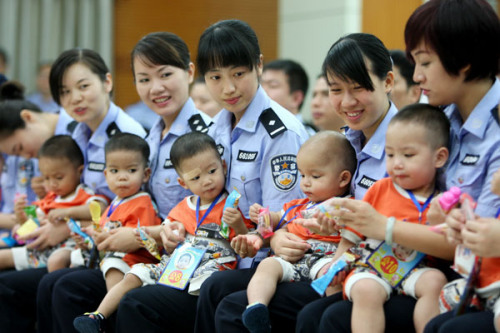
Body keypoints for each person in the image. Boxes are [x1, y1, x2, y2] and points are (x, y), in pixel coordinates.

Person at [312, 0, 500, 330]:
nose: (416, 76)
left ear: (465, 61)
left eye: (425, 62)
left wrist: (382, 225)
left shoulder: (492, 127)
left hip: (467, 276)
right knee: (321, 312)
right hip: (438, 266)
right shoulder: (439, 118)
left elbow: (472, 237)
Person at [115, 20, 309, 333]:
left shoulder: (279, 133)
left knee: (213, 289)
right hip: (206, 256)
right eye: (216, 77)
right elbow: (194, 204)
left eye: (238, 74)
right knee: (135, 302)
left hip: (259, 264)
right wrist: (171, 229)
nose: (228, 88)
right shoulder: (214, 129)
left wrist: (252, 237)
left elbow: (286, 218)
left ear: (258, 66)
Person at [201, 32, 398, 333]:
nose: (347, 101)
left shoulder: (405, 143)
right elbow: (298, 210)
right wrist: (276, 236)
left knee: (239, 307)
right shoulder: (345, 141)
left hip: (370, 269)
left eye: (358, 88)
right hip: (311, 254)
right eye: (336, 89)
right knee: (216, 288)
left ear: (388, 82)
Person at [35, 32, 217, 333]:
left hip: (189, 260)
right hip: (142, 254)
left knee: (87, 292)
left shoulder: (203, 138)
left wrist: (139, 235)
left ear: (189, 72)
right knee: (58, 284)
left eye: (165, 75)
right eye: (144, 79)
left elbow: (208, 216)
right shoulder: (149, 138)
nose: (155, 88)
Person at [0, 47, 146, 333]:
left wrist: (66, 226)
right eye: (65, 92)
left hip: (118, 247)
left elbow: (120, 206)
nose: (75, 98)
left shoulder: (127, 135)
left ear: (107, 82)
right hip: (82, 238)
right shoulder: (78, 133)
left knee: (50, 284)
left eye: (83, 86)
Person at [73, 131, 252, 333]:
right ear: (183, 183)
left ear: (224, 167)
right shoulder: (183, 207)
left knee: (197, 285)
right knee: (135, 274)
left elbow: (245, 245)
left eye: (212, 171)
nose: (207, 181)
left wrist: (238, 225)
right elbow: (167, 232)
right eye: (196, 177)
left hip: (211, 266)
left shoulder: (229, 205)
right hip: (176, 264)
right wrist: (170, 236)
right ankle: (98, 316)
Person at [323, 104, 452, 333]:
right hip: (372, 266)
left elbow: (445, 243)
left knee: (435, 282)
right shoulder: (381, 188)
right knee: (366, 290)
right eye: (390, 154)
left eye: (408, 155)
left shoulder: (442, 200)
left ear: (439, 157)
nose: (397, 163)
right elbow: (352, 234)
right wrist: (337, 264)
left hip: (416, 268)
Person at [239, 131, 356, 333]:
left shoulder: (346, 205)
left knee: (333, 275)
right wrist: (263, 216)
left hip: (324, 259)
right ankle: (256, 307)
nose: (305, 182)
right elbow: (274, 221)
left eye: (315, 176)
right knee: (267, 265)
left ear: (343, 178)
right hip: (293, 259)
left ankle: (329, 312)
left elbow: (352, 233)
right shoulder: (298, 205)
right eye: (302, 175)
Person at [47, 133, 161, 273]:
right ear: (106, 174)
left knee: (112, 265)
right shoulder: (115, 203)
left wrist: (103, 239)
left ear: (145, 175)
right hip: (106, 258)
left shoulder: (143, 202)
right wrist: (87, 239)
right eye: (114, 171)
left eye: (131, 170)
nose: (122, 177)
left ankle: (114, 296)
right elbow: (103, 232)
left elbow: (136, 241)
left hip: (131, 263)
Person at [0, 135, 105, 271]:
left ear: (79, 171)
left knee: (57, 260)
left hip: (69, 247)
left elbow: (100, 208)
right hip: (40, 250)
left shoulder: (82, 193)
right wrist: (21, 216)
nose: (52, 183)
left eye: (59, 177)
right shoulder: (50, 199)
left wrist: (68, 212)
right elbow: (31, 228)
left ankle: (48, 287)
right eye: (46, 178)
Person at [261, 59, 317, 135]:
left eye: (272, 85)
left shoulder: (307, 137)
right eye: (260, 84)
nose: (261, 90)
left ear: (296, 98)